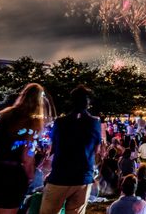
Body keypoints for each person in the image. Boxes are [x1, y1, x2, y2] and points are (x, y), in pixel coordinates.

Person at [0, 83, 49, 214]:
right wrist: (30, 175)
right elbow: (27, 156)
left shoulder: (1, 115)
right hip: (13, 174)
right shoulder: (33, 122)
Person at [41, 85, 102, 214]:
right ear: (88, 103)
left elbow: (53, 147)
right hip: (83, 177)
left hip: (60, 176)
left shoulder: (60, 122)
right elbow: (97, 149)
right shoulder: (94, 122)